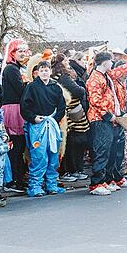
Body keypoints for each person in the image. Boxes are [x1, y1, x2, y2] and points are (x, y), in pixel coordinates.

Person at [85, 52, 127, 196]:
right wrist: (109, 115)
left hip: (110, 118)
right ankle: (96, 183)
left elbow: (119, 71)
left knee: (111, 151)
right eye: (111, 61)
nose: (112, 64)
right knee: (102, 151)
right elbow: (95, 101)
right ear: (105, 62)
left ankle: (106, 180)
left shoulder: (106, 76)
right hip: (100, 119)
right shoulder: (94, 78)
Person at [20, 60, 66, 197]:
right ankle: (35, 185)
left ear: (50, 71)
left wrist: (54, 119)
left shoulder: (56, 87)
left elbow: (62, 107)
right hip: (37, 125)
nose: (45, 72)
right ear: (37, 73)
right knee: (39, 155)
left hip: (52, 125)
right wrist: (33, 118)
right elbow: (24, 107)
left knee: (53, 155)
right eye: (42, 70)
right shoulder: (32, 87)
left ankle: (51, 184)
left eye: (47, 70)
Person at [1, 39, 32, 192]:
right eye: (19, 51)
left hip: (18, 108)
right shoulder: (11, 69)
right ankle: (14, 180)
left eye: (24, 51)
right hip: (13, 110)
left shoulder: (17, 69)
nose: (23, 54)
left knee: (19, 147)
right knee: (16, 147)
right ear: (12, 53)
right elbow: (21, 90)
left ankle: (19, 178)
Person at [52, 56, 89, 184]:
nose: (68, 62)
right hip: (72, 113)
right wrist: (83, 89)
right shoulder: (64, 77)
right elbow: (78, 91)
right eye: (65, 61)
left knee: (71, 143)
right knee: (74, 143)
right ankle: (71, 170)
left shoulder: (57, 76)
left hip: (68, 112)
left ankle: (73, 170)